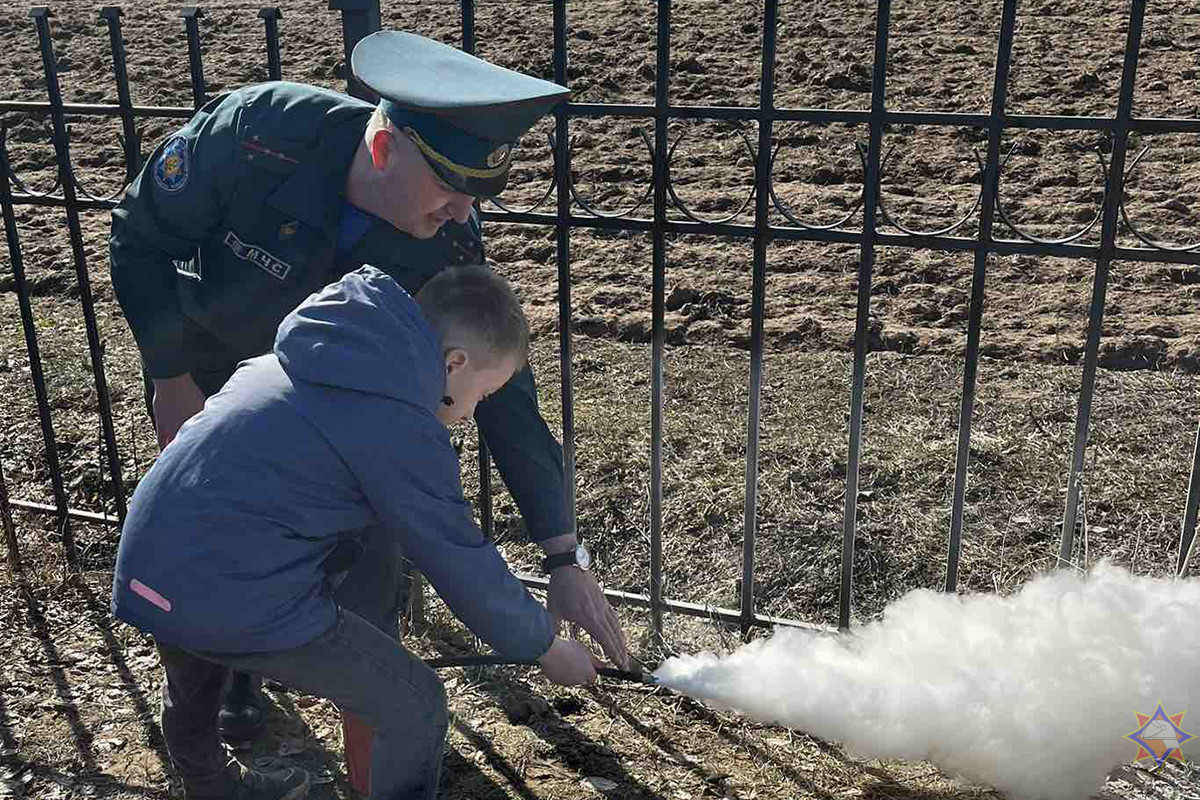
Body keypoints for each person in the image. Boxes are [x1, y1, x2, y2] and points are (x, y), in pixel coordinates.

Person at [108, 29, 629, 764]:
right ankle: (224, 687)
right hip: (214, 377)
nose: (462, 214)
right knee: (215, 542)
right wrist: (170, 378)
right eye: (451, 189)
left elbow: (504, 390)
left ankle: (371, 743)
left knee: (370, 569)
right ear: (385, 152)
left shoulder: (442, 237)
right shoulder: (255, 137)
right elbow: (138, 237)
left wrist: (560, 553)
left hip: (347, 413)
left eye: (475, 195)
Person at [111, 264, 616, 800]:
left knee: (195, 655)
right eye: (484, 394)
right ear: (456, 364)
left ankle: (212, 787)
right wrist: (542, 644)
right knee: (415, 702)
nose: (473, 414)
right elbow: (458, 559)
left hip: (152, 563)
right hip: (235, 591)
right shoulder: (397, 425)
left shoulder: (311, 353)